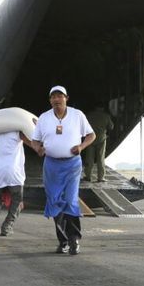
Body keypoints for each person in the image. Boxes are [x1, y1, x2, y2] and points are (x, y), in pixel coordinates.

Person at [30, 85, 94, 255]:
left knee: (71, 200)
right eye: (53, 97)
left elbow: (91, 135)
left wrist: (81, 146)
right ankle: (63, 241)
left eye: (60, 96)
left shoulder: (77, 115)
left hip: (72, 164)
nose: (56, 99)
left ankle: (74, 239)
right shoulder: (44, 118)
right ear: (50, 100)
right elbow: (35, 140)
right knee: (55, 201)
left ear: (67, 98)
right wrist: (38, 149)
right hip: (51, 165)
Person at [0, 123, 30, 236]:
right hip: (13, 172)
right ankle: (7, 226)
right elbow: (32, 141)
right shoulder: (17, 132)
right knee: (17, 200)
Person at [82, 105, 114, 183]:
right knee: (100, 158)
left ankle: (88, 176)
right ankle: (100, 177)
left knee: (89, 158)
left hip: (90, 138)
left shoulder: (89, 115)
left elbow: (83, 126)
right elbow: (111, 127)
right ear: (102, 107)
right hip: (101, 139)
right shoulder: (106, 116)